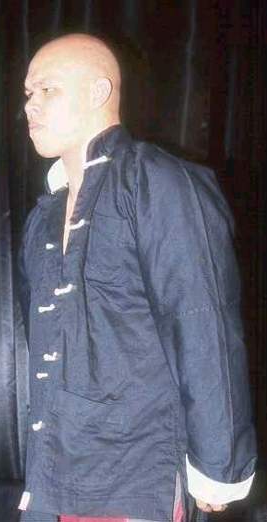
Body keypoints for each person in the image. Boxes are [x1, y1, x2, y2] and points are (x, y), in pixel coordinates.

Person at [17, 33, 257, 522]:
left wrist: (219, 464)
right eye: (28, 93)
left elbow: (203, 321)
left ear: (99, 92)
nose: (30, 106)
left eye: (48, 90)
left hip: (138, 469)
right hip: (56, 473)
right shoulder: (43, 217)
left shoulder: (159, 182)